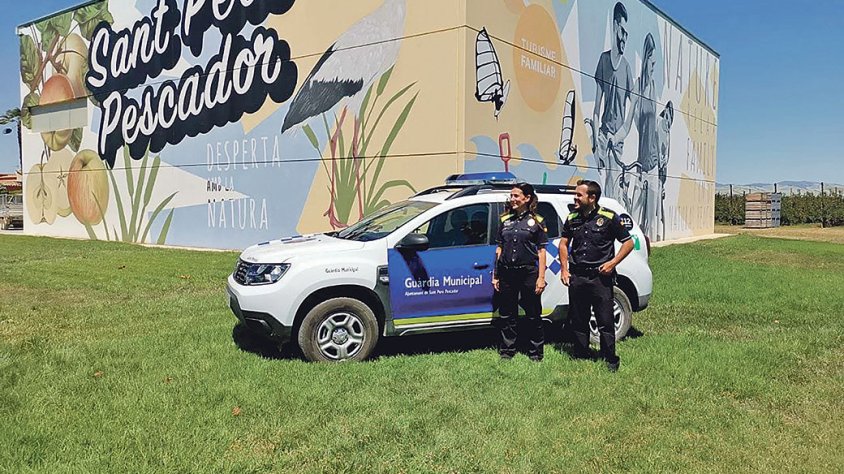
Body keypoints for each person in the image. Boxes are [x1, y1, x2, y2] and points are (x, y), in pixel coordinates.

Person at [559, 180, 634, 371]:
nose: (575, 198)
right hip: (578, 276)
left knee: (605, 321)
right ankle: (581, 354)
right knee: (578, 319)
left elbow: (628, 243)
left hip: (600, 278)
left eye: (579, 195)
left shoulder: (608, 217)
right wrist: (564, 269)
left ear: (592, 197)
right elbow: (563, 243)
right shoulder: (572, 217)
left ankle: (610, 359)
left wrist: (612, 263)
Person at [492, 183, 548, 361]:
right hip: (507, 273)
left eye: (516, 196)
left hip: (528, 273)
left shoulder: (537, 221)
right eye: (512, 196)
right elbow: (499, 248)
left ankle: (535, 352)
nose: (512, 199)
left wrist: (541, 278)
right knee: (507, 314)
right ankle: (507, 350)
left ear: (527, 198)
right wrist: (496, 275)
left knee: (533, 314)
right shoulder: (505, 220)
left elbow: (542, 251)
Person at [590, 1, 634, 201]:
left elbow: (632, 109)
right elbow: (596, 108)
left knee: (612, 188)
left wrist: (619, 135)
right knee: (595, 185)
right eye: (622, 31)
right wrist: (595, 138)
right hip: (602, 134)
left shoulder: (626, 68)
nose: (624, 38)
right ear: (615, 26)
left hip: (617, 140)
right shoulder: (604, 60)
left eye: (627, 34)